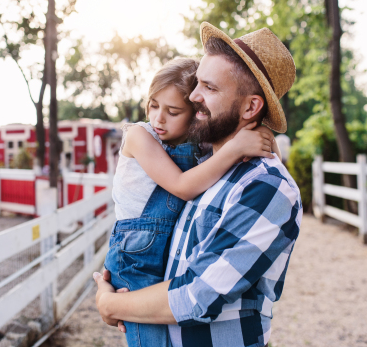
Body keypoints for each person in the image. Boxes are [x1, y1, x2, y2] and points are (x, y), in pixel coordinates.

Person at [94, 22, 303, 347]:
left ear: (251, 107)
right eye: (196, 85)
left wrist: (111, 304)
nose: (193, 97)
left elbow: (196, 296)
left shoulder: (266, 187)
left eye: (209, 87)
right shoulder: (207, 163)